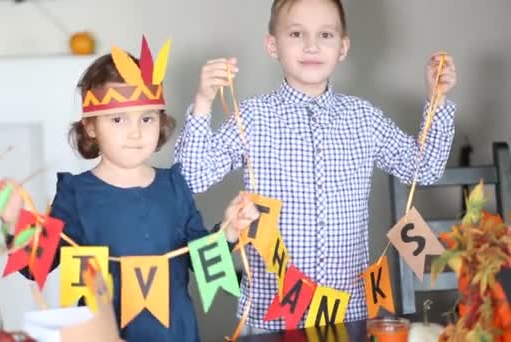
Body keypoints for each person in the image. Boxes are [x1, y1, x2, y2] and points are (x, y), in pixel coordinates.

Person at [174, 0, 457, 333]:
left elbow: (422, 170)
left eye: (325, 34)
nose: (311, 45)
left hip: (348, 310)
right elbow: (192, 177)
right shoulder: (251, 118)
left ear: (343, 47)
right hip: (270, 316)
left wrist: (436, 100)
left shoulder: (363, 117)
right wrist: (204, 102)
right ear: (272, 45)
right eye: (296, 33)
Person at [0, 38, 258, 342]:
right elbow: (37, 266)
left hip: (176, 334)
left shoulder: (175, 185)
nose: (136, 132)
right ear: (91, 127)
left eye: (147, 118)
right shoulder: (75, 193)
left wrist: (229, 231)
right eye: (118, 119)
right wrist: (15, 222)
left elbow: (203, 265)